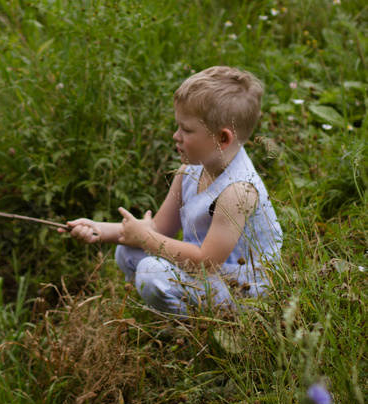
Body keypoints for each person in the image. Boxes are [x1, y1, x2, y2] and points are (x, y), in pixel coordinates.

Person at [62, 66, 282, 315]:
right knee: (127, 250)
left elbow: (206, 261)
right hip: (208, 276)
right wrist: (98, 229)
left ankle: (199, 328)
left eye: (186, 130)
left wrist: (147, 239)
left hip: (244, 289)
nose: (175, 136)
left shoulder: (238, 191)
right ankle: (181, 307)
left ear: (222, 139)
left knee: (150, 272)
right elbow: (158, 229)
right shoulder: (190, 170)